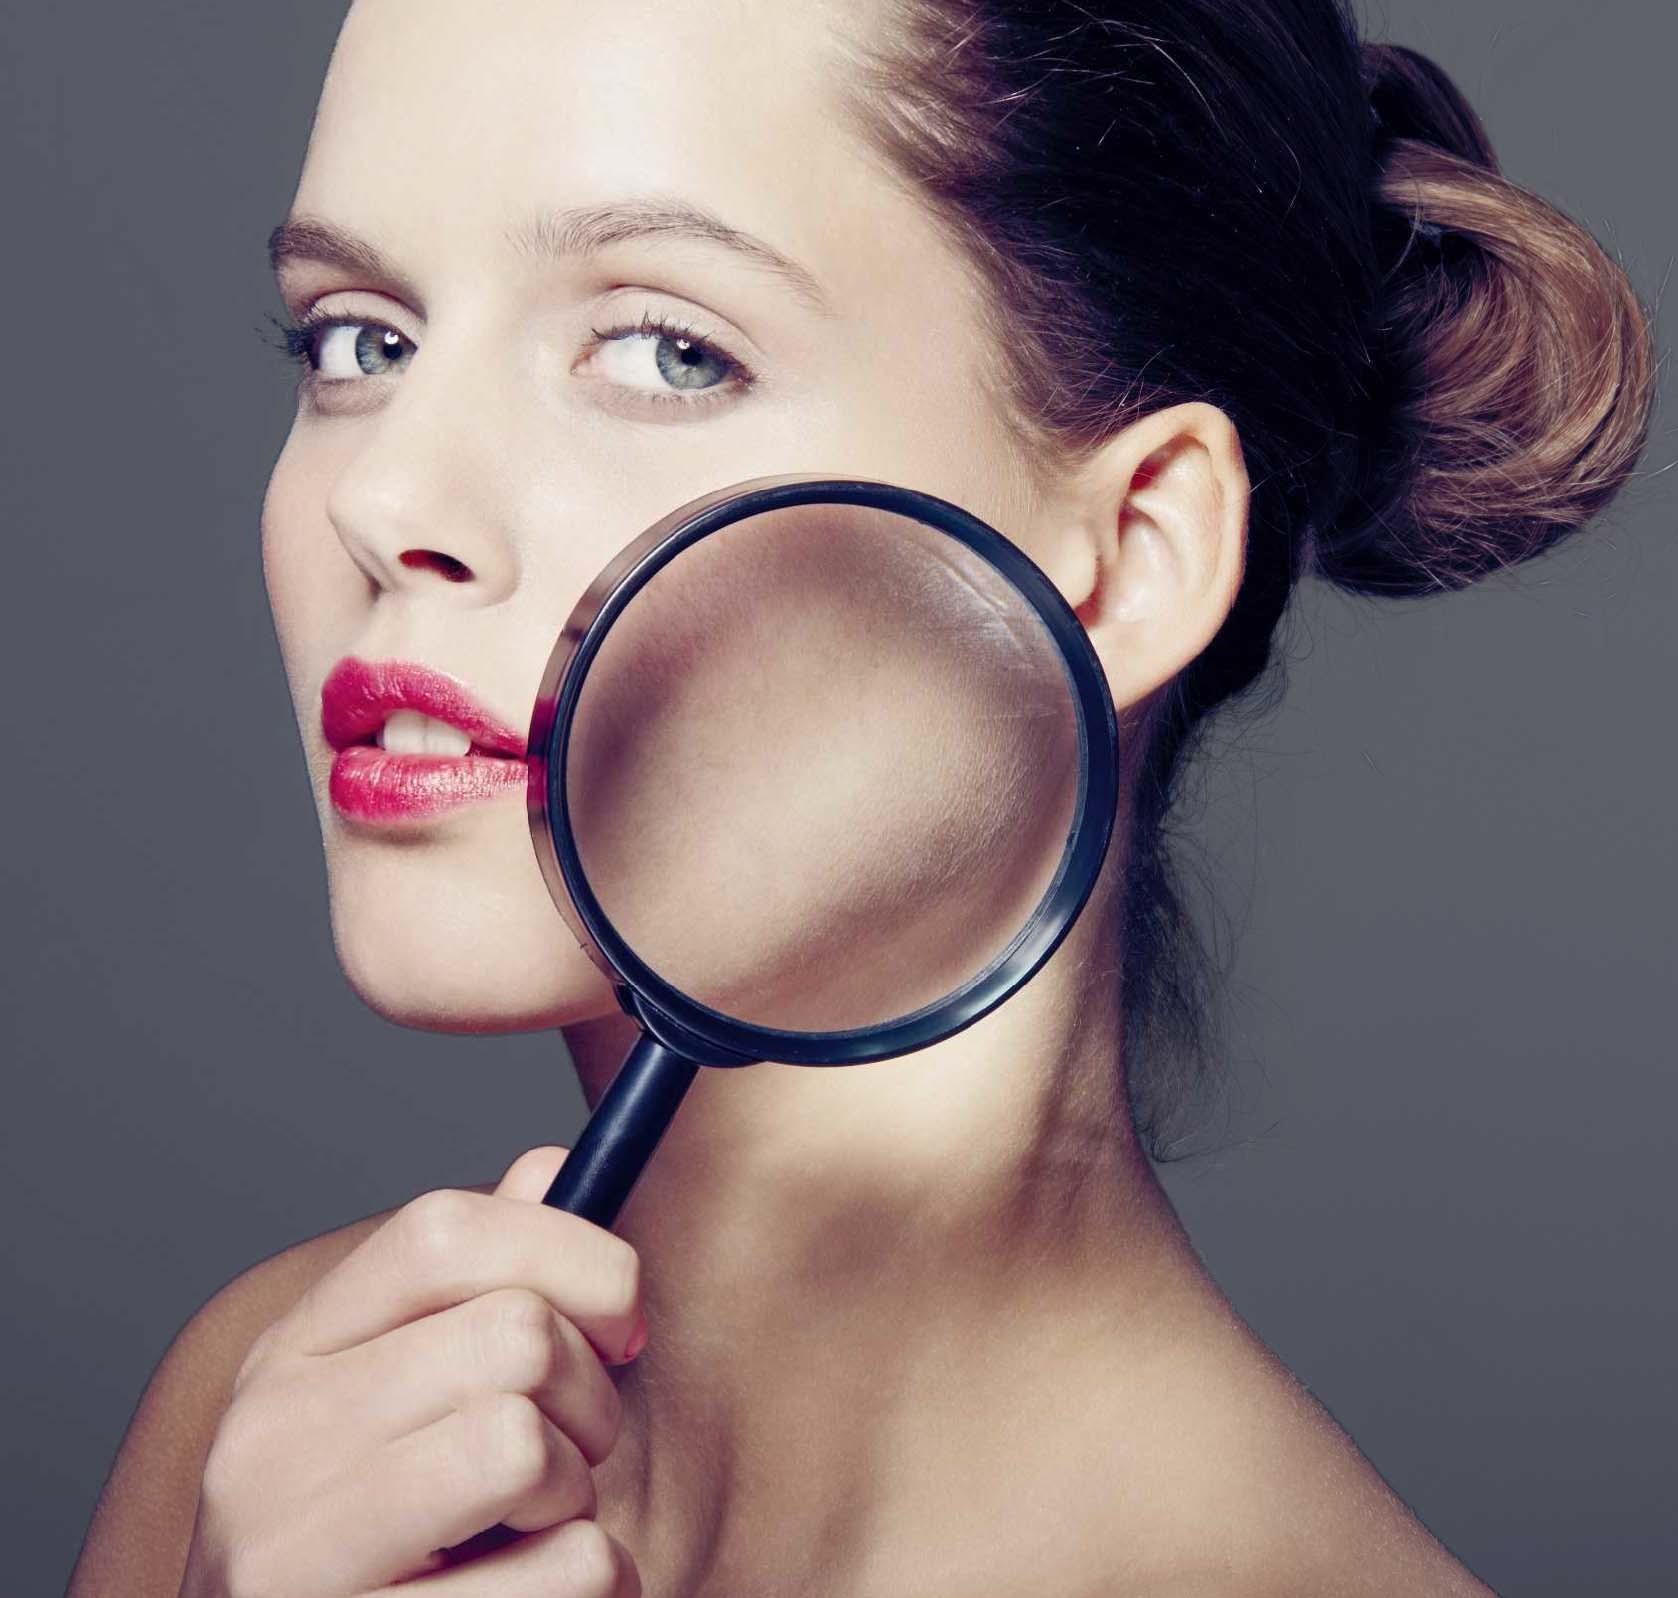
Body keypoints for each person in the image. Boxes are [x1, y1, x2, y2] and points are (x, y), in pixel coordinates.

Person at [67, 0, 1657, 1594]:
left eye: (668, 351)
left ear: (1128, 558)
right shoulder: (295, 1429)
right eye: (358, 340)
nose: (385, 494)